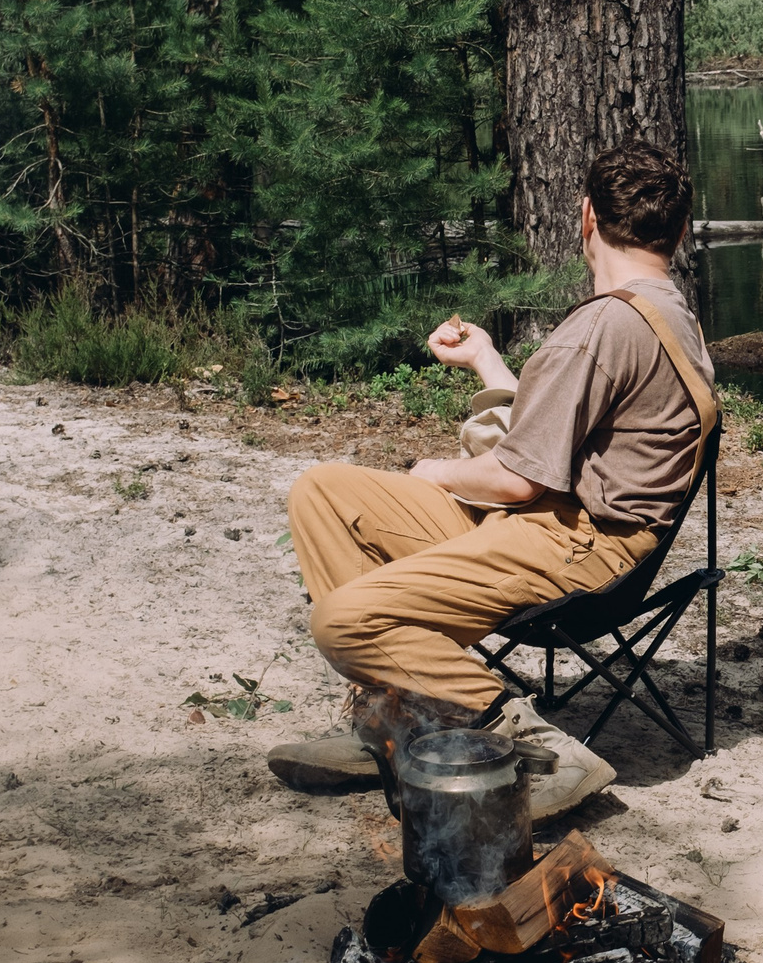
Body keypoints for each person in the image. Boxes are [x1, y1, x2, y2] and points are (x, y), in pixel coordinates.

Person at [265, 141, 717, 821]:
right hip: (568, 530)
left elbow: (514, 479)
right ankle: (390, 718)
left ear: (586, 217)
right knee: (323, 492)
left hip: (577, 548)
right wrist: (487, 361)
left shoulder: (600, 328)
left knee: (341, 622)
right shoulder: (663, 314)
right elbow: (555, 434)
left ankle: (533, 745)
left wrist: (433, 471)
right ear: (679, 232)